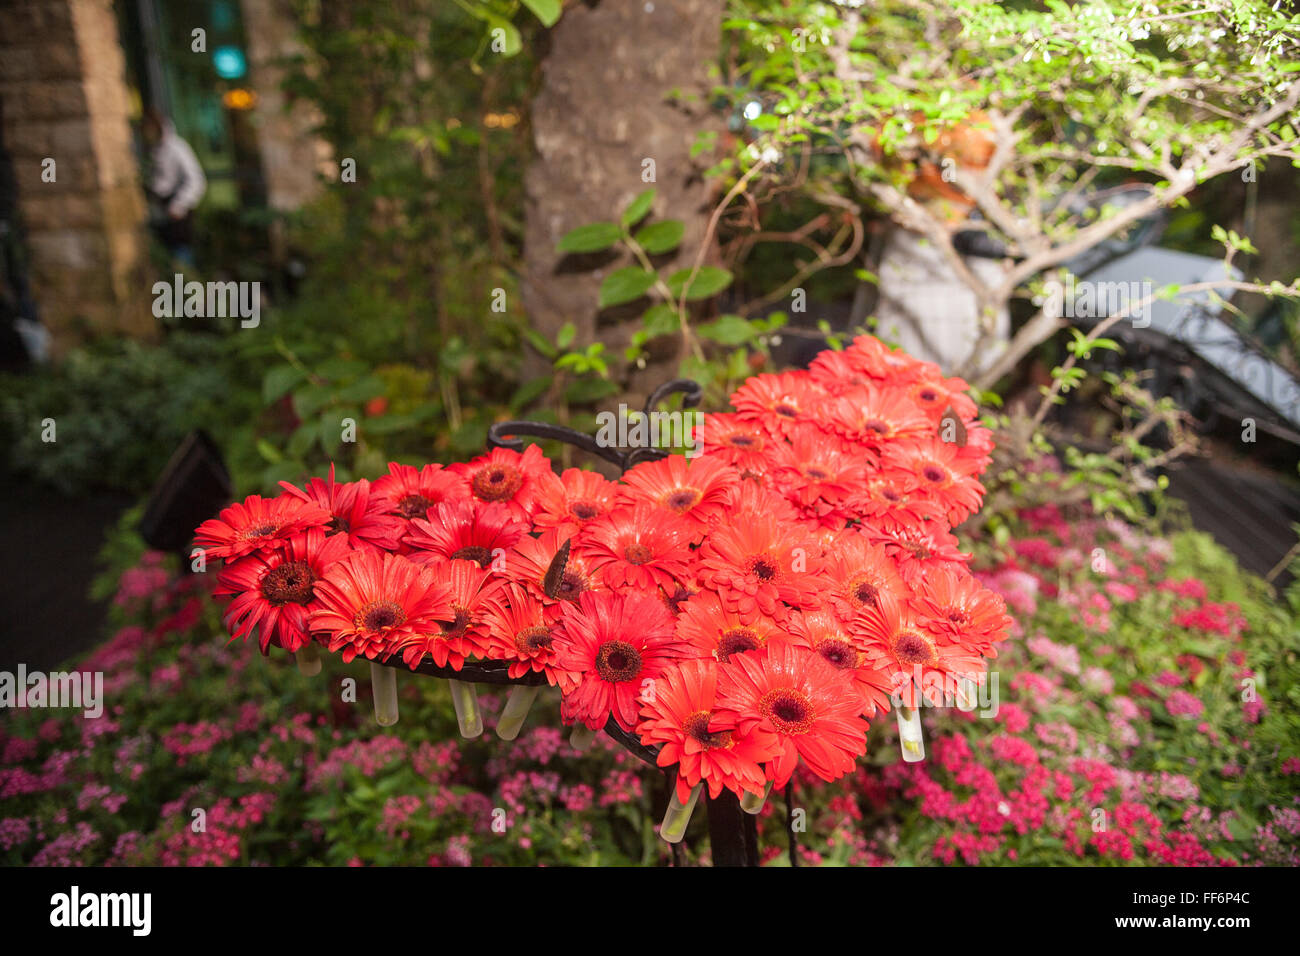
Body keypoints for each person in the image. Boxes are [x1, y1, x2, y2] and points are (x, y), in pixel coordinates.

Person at [141, 109, 206, 267]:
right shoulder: (155, 150)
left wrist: (179, 205)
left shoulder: (177, 147)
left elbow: (196, 180)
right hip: (160, 212)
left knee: (181, 261)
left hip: (177, 215)